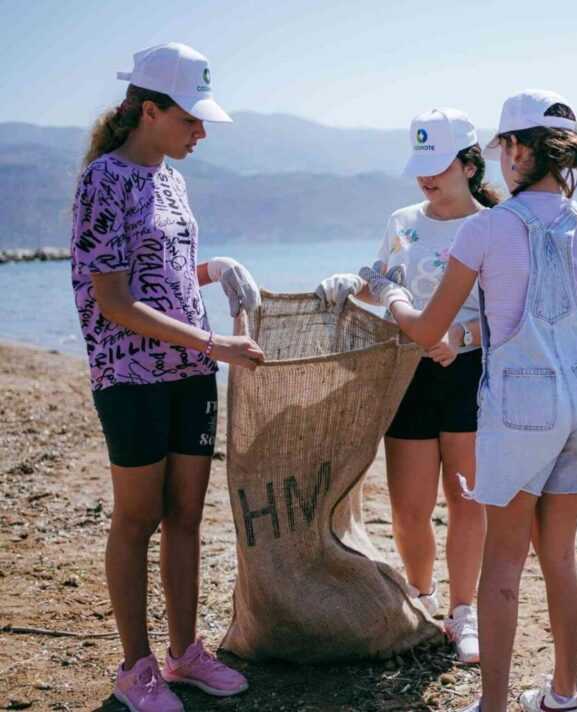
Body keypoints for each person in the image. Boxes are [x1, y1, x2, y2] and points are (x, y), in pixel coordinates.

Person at [359, 89, 577, 712]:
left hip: (524, 406)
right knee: (561, 556)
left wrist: (391, 294)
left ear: (513, 150)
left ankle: (492, 705)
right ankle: (565, 695)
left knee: (505, 563)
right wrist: (565, 333)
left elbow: (429, 330)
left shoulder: (486, 227)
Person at [71, 43, 264, 712]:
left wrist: (215, 270)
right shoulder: (104, 180)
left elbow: (166, 275)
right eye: (190, 118)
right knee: (137, 517)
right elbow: (114, 300)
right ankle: (136, 669)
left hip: (189, 372)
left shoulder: (172, 180)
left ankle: (185, 654)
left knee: (185, 514)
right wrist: (214, 341)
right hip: (131, 376)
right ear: (148, 111)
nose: (201, 131)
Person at [315, 108, 500, 664]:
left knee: (466, 501)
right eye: (422, 164)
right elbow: (381, 284)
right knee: (409, 508)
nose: (427, 176)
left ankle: (463, 612)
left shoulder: (495, 226)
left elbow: (515, 314)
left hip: (469, 375)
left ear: (470, 166)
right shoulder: (402, 221)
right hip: (406, 373)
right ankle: (422, 599)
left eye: (439, 165)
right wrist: (351, 284)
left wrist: (462, 336)